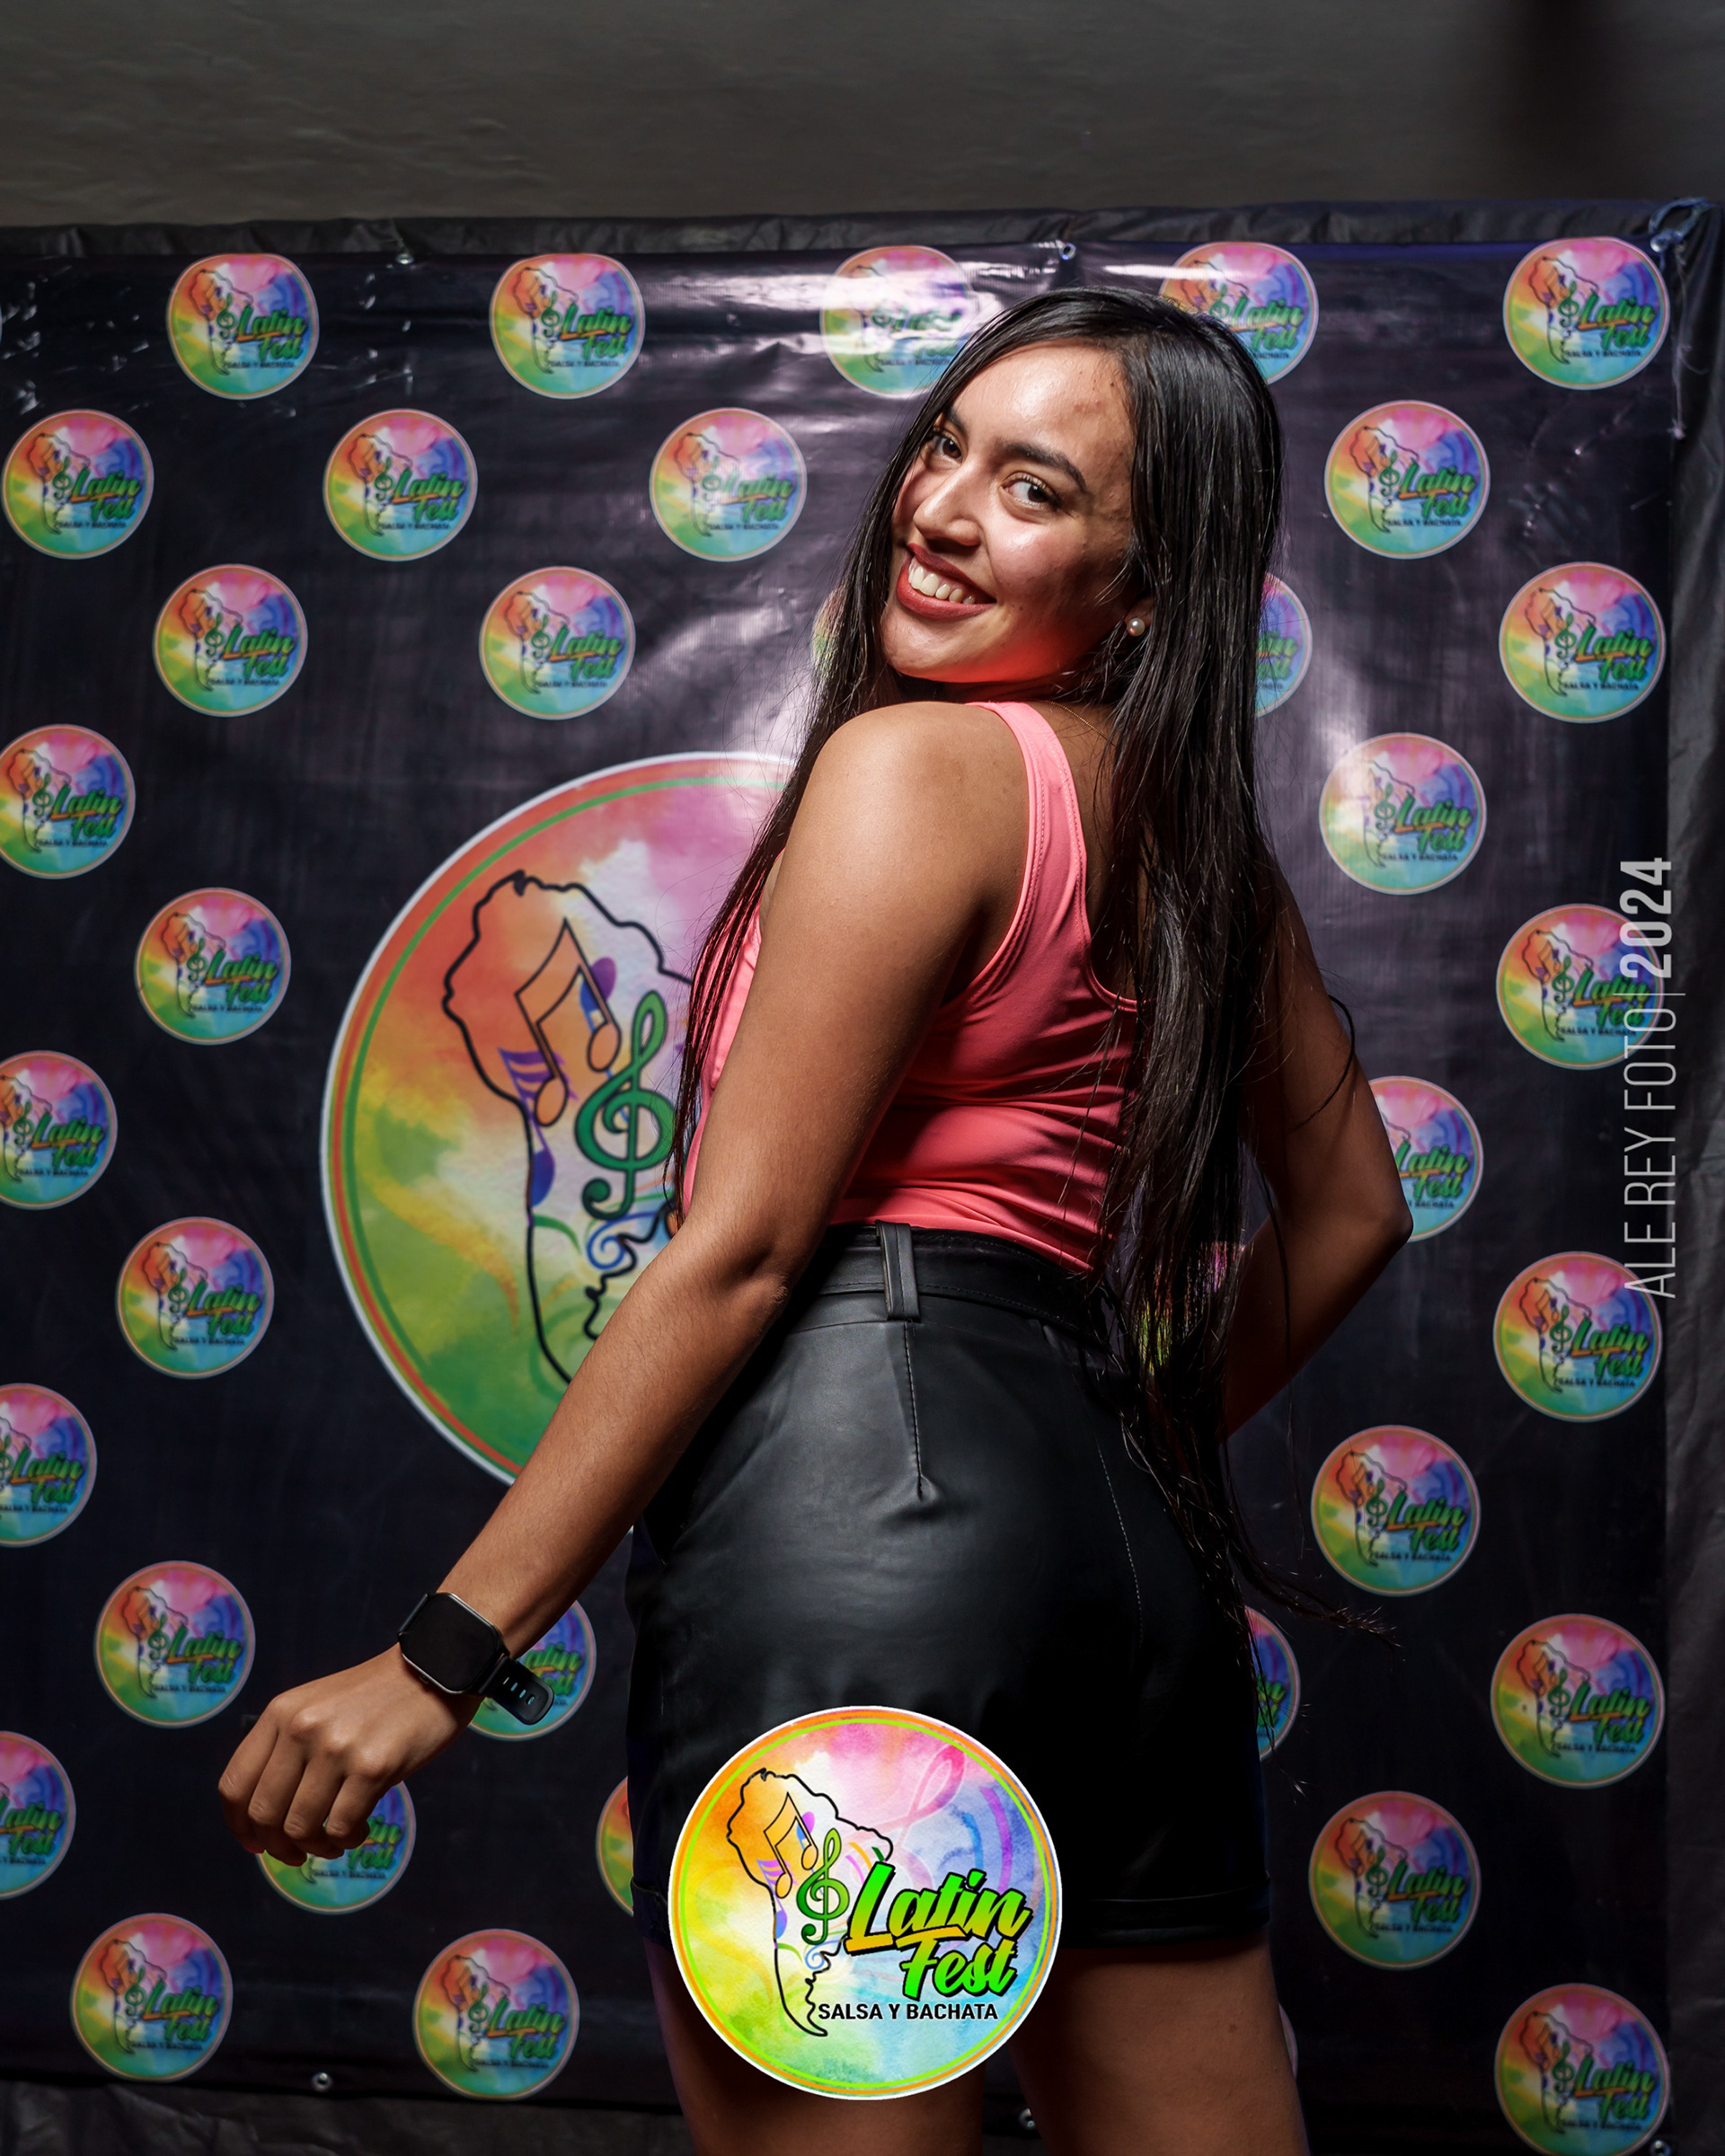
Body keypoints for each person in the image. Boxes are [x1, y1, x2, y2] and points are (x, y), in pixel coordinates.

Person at [220, 287, 1411, 2155]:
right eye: (947, 445)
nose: (942, 508)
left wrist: (441, 1655)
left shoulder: (917, 764)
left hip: (855, 1536)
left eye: (1034, 490)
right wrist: (1138, 1448)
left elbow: (746, 1251)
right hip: (1124, 1573)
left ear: (1148, 590)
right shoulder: (1202, 842)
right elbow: (1356, 1209)